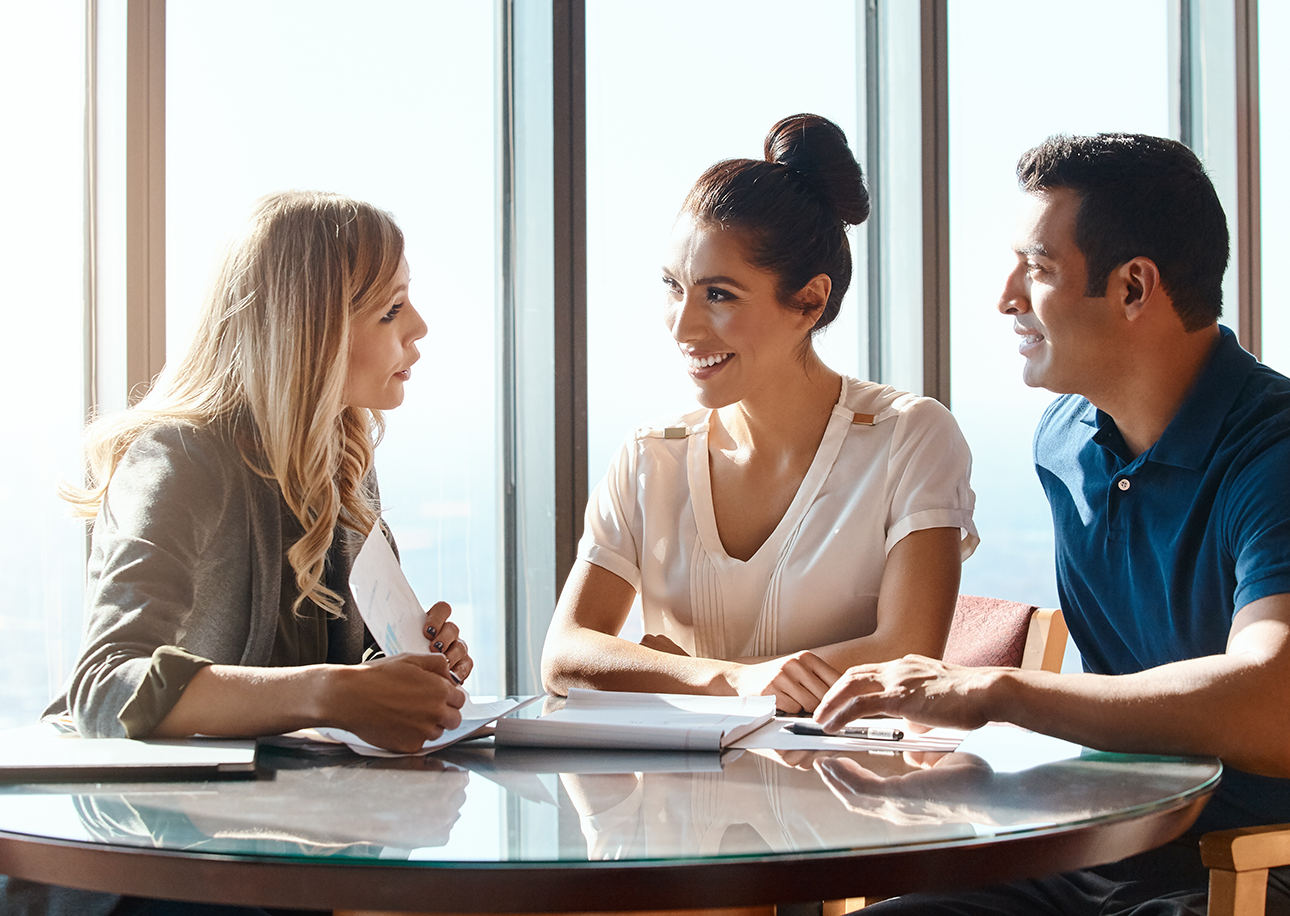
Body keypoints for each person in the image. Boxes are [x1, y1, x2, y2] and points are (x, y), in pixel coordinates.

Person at [814, 133, 1290, 915]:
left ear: (1135, 287)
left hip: (1250, 870)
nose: (1006, 297)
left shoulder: (1273, 453)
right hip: (1100, 844)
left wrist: (999, 691)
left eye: (1036, 269)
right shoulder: (1065, 440)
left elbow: (1272, 702)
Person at [542, 114, 978, 714]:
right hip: (674, 801)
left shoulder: (909, 438)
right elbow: (565, 656)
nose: (683, 325)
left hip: (845, 793)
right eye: (674, 286)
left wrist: (669, 670)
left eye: (719, 295)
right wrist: (734, 682)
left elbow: (905, 654)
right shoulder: (650, 456)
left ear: (810, 300)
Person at [46, 191, 472, 750]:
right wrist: (331, 693)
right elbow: (102, 689)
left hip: (300, 819)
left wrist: (404, 672)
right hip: (163, 827)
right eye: (391, 309)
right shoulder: (179, 461)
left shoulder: (343, 464)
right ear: (311, 333)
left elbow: (331, 674)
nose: (418, 326)